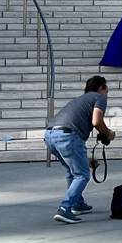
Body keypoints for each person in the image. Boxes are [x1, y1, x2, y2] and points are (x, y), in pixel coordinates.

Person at [46, 75, 115, 224]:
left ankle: (77, 203)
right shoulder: (99, 97)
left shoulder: (79, 100)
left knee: (72, 171)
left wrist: (85, 159)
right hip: (68, 136)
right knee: (82, 175)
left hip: (51, 135)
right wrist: (108, 133)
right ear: (102, 87)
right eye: (106, 88)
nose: (107, 92)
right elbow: (96, 121)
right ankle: (65, 208)